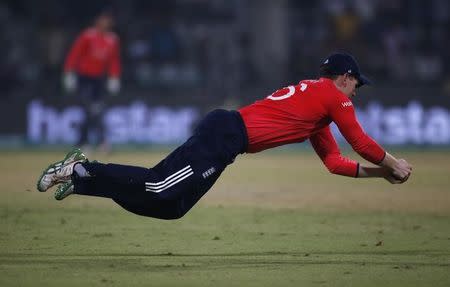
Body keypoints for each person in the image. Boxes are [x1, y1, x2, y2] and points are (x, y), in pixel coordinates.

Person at [37, 52, 412, 220]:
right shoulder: (333, 96)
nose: (356, 91)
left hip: (227, 137)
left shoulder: (318, 109)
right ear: (344, 76)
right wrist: (394, 164)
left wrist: (382, 174)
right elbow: (361, 143)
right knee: (157, 187)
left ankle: (83, 180)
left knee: (171, 207)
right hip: (226, 134)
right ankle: (81, 168)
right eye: (356, 83)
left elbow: (333, 163)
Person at [63, 10, 121, 149]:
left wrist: (114, 77)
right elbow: (75, 54)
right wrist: (69, 72)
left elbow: (114, 60)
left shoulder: (112, 39)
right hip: (85, 78)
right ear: (97, 21)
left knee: (98, 110)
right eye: (102, 19)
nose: (105, 23)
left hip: (99, 80)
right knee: (88, 110)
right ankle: (87, 141)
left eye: (107, 20)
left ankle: (94, 142)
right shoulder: (88, 36)